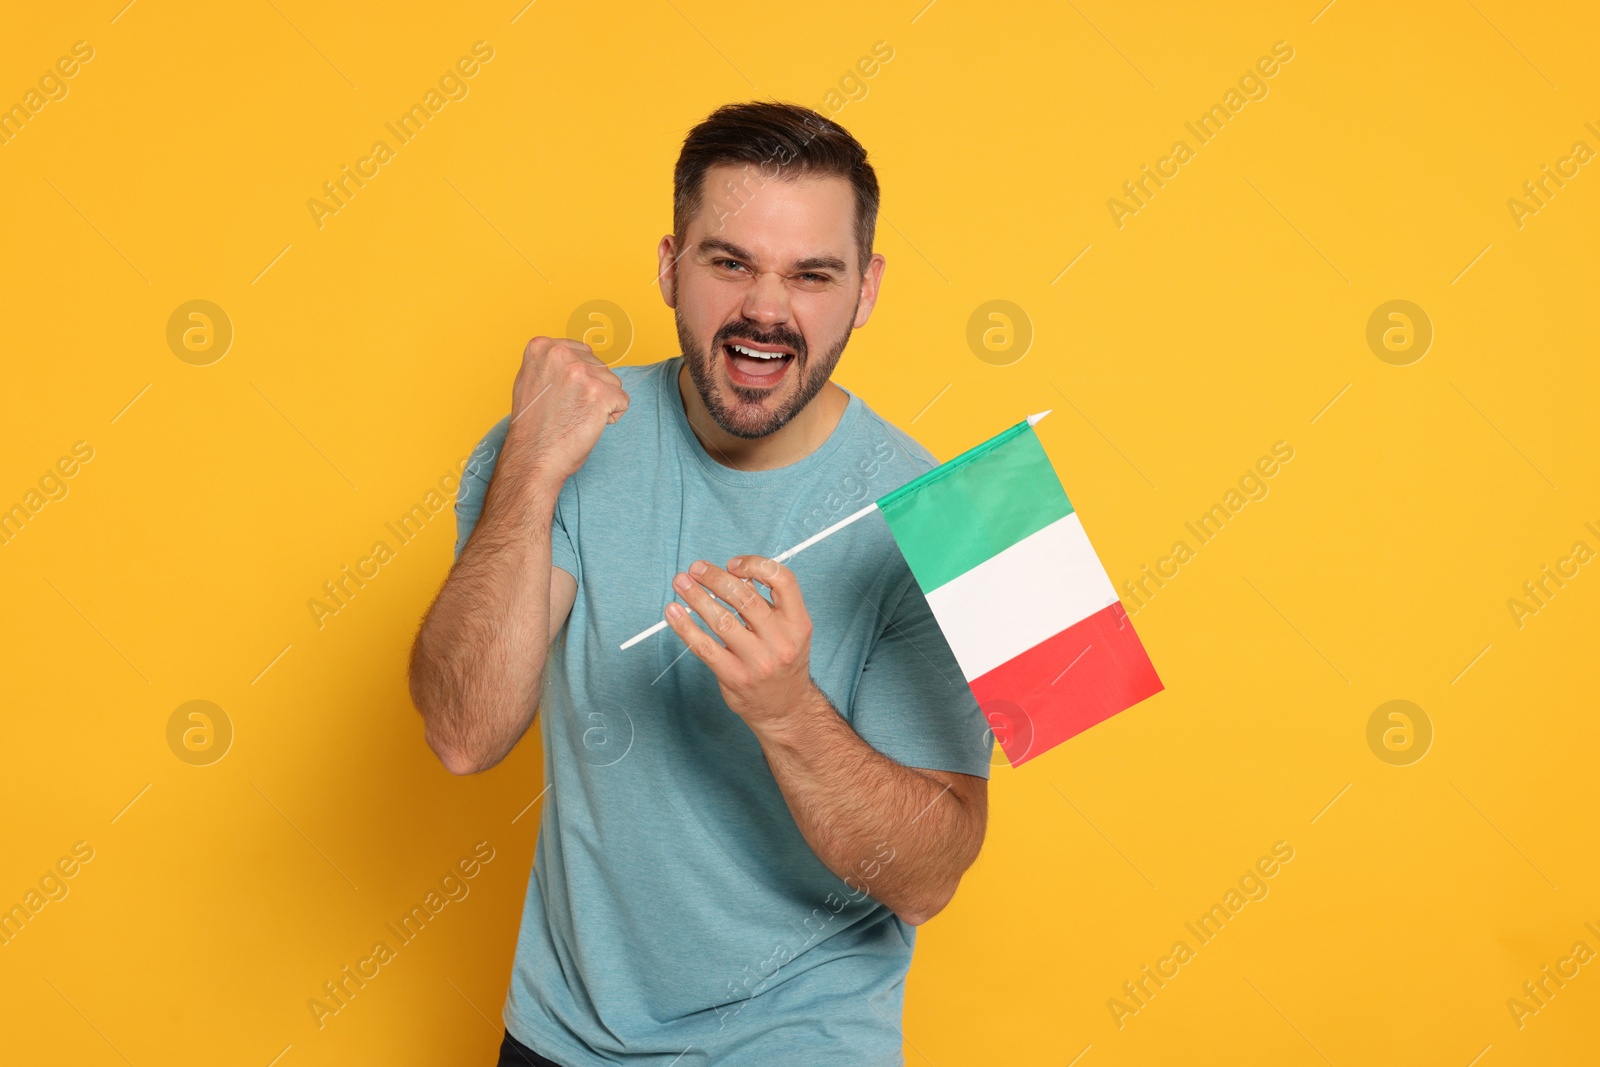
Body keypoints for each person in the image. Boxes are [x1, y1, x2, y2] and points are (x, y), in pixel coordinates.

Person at [408, 100, 993, 1067]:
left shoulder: (935, 517)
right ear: (672, 264)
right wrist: (531, 471)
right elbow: (464, 733)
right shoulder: (563, 441)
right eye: (731, 263)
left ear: (866, 288)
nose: (768, 309)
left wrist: (787, 710)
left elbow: (927, 877)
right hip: (562, 1037)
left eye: (813, 274)